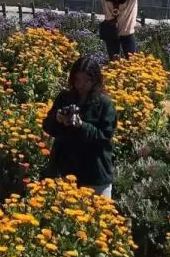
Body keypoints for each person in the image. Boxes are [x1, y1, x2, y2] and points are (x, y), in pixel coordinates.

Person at [42, 56, 117, 197]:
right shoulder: (65, 98)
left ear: (95, 80)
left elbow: (105, 136)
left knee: (100, 217)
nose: (81, 85)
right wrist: (58, 119)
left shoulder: (104, 104)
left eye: (86, 80)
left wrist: (82, 125)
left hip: (94, 173)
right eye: (77, 80)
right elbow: (47, 126)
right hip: (66, 171)